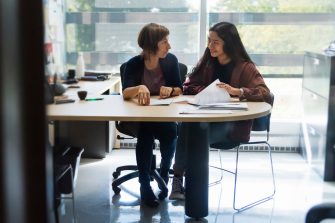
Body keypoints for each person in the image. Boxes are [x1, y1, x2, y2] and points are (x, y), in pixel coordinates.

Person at [169, 21, 271, 200]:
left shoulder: (245, 67)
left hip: (231, 126)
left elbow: (265, 93)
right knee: (188, 127)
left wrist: (237, 91)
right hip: (204, 120)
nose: (210, 46)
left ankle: (184, 185)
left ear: (229, 43)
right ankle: (180, 183)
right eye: (209, 41)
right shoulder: (208, 62)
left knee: (192, 137)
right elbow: (189, 85)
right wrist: (207, 90)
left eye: (215, 42)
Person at [122, 23, 182, 207]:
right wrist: (139, 87)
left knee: (171, 132)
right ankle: (144, 185)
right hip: (141, 117)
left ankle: (164, 171)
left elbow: (180, 89)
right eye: (164, 42)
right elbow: (125, 93)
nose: (169, 46)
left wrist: (170, 90)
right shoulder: (133, 64)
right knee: (145, 135)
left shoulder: (170, 61)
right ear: (151, 45)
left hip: (163, 114)